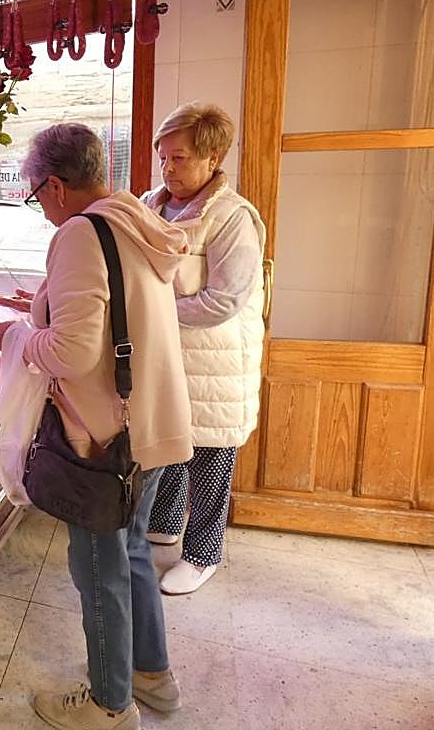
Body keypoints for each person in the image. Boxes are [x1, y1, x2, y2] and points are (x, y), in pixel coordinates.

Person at [0, 123, 193, 730]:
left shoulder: (80, 231)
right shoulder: (132, 216)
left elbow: (73, 354)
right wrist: (43, 303)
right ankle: (153, 677)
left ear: (55, 184)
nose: (40, 207)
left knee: (99, 569)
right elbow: (107, 315)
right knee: (131, 555)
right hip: (154, 424)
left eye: (35, 194)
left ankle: (110, 705)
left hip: (106, 440)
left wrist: (18, 337)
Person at [142, 102, 266, 596]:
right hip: (171, 355)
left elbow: (224, 300)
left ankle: (202, 553)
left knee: (211, 454)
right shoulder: (152, 203)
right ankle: (166, 523)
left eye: (181, 158)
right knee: (171, 441)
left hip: (216, 363)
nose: (169, 169)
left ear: (213, 159)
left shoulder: (231, 218)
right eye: (164, 158)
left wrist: (152, 312)